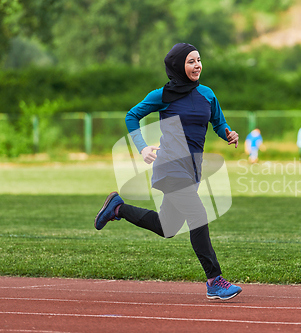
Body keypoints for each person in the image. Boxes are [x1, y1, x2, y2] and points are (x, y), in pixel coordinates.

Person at [94, 43, 242, 300]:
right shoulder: (163, 94)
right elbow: (132, 116)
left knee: (167, 227)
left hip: (192, 170)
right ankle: (214, 280)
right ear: (177, 66)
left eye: (199, 60)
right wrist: (141, 148)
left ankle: (117, 208)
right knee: (198, 216)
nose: (197, 65)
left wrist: (228, 133)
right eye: (191, 61)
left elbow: (218, 122)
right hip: (171, 167)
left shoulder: (207, 94)